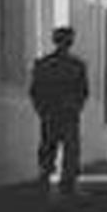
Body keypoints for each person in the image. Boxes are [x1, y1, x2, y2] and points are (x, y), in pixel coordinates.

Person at [29, 26, 88, 194]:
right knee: (69, 148)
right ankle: (66, 183)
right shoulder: (77, 66)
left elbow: (35, 91)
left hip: (51, 112)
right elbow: (83, 91)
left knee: (48, 146)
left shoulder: (43, 64)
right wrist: (76, 107)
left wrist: (42, 109)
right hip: (67, 112)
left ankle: (45, 178)